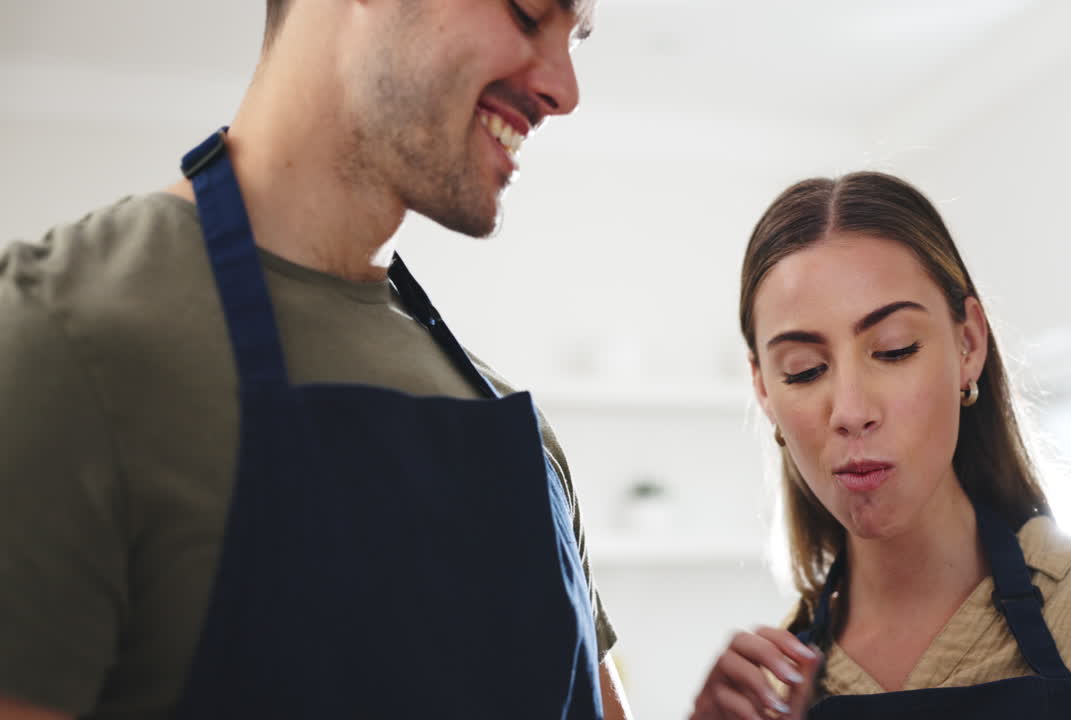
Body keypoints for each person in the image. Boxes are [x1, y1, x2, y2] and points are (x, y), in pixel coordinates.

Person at [0, 1, 633, 718]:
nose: (566, 90)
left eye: (575, 38)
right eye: (527, 12)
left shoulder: (525, 439)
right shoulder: (62, 341)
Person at [689, 171, 1071, 719]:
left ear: (968, 344)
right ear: (764, 389)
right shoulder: (771, 692)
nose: (850, 412)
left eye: (893, 350)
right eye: (804, 370)